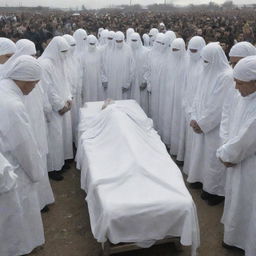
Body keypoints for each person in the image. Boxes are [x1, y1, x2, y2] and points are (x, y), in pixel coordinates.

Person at [0, 55, 45, 255]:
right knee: (18, 218)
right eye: (33, 83)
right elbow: (23, 146)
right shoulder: (13, 106)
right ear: (24, 79)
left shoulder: (3, 89)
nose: (34, 88)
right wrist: (36, 173)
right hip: (15, 169)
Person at [216, 56, 256, 255]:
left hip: (249, 166)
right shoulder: (246, 98)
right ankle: (235, 237)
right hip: (237, 161)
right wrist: (226, 149)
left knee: (249, 206)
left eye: (239, 83)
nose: (235, 87)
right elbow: (232, 123)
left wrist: (226, 154)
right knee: (238, 201)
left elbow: (247, 138)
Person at [187, 43, 233, 205]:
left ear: (215, 59)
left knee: (213, 160)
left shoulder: (227, 76)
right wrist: (193, 116)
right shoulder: (206, 71)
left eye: (206, 60)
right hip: (199, 123)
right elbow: (197, 96)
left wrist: (203, 123)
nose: (203, 63)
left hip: (214, 127)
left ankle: (216, 191)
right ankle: (200, 181)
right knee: (201, 156)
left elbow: (219, 106)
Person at [39, 36, 73, 181]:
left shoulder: (60, 61)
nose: (65, 53)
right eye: (63, 51)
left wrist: (69, 99)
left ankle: (62, 162)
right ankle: (52, 168)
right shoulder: (45, 64)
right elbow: (49, 89)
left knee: (63, 136)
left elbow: (66, 81)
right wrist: (60, 105)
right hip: (54, 109)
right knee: (54, 138)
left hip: (64, 105)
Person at [158, 38, 188, 154]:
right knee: (168, 119)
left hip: (180, 99)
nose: (174, 52)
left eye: (177, 50)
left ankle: (178, 149)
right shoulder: (169, 61)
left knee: (177, 123)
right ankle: (168, 142)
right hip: (169, 96)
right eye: (173, 49)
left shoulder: (187, 63)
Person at [182, 36, 206, 174]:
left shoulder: (205, 66)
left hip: (198, 111)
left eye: (195, 51)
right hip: (188, 108)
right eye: (189, 50)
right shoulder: (189, 63)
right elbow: (185, 85)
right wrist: (185, 102)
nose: (191, 53)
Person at [102, 31, 134, 100]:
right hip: (111, 83)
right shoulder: (109, 51)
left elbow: (132, 67)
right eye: (117, 41)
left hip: (123, 83)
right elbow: (104, 66)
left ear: (123, 40)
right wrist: (104, 79)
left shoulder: (128, 50)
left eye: (120, 41)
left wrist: (127, 83)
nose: (119, 43)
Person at [144, 33, 165, 129]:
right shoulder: (150, 54)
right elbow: (147, 70)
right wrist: (148, 83)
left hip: (163, 88)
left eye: (162, 43)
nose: (159, 45)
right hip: (153, 87)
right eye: (158, 42)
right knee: (153, 108)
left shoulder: (167, 56)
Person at [63, 34, 81, 146]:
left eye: (75, 45)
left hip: (77, 95)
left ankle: (75, 140)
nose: (73, 47)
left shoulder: (75, 58)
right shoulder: (62, 61)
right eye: (71, 45)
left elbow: (80, 74)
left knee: (76, 119)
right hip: (67, 98)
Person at [130, 32, 150, 114]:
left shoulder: (146, 52)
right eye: (132, 40)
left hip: (141, 82)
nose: (133, 42)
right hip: (131, 84)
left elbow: (149, 68)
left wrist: (145, 81)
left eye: (135, 40)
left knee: (142, 103)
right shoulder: (128, 51)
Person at [81, 35, 104, 102]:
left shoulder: (99, 52)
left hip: (97, 79)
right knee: (88, 95)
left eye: (94, 44)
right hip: (87, 80)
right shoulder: (83, 54)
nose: (92, 46)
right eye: (91, 44)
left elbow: (102, 66)